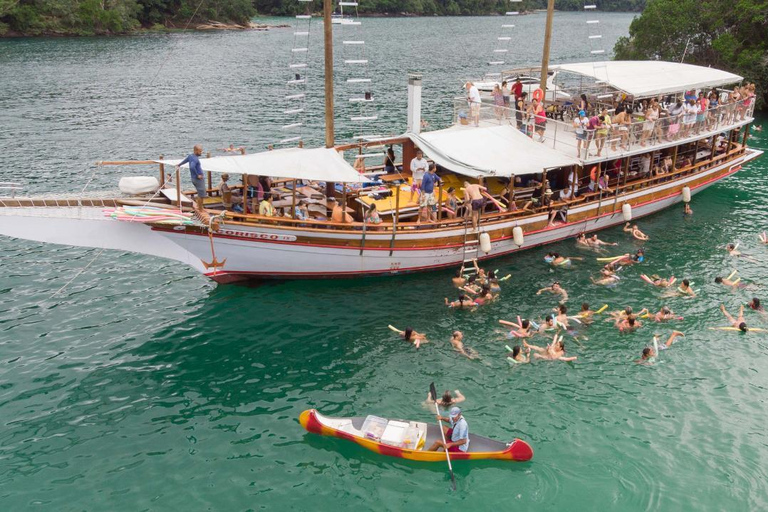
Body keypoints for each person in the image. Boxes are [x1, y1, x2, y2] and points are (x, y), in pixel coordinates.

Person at [177, 144, 206, 210]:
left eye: (201, 151)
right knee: (202, 194)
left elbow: (186, 160)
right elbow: (192, 167)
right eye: (200, 151)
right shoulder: (195, 159)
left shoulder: (190, 156)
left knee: (200, 193)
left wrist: (179, 164)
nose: (201, 153)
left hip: (194, 178)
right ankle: (200, 209)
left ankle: (199, 207)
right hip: (198, 179)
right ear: (195, 151)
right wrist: (197, 175)